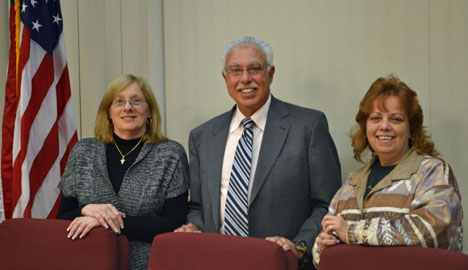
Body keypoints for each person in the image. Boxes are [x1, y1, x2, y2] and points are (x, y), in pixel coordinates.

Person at [175, 36, 341, 268]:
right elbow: (198, 207)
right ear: (225, 78)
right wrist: (194, 227)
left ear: (270, 74)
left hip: (280, 263)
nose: (245, 78)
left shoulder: (308, 126)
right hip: (217, 261)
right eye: (235, 70)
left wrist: (299, 246)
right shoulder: (203, 136)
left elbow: (328, 203)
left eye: (255, 69)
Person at [312, 75, 463, 267]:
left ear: (411, 129)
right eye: (375, 118)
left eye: (396, 119)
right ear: (365, 127)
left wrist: (351, 231)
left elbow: (430, 230)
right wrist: (322, 247)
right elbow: (322, 256)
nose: (384, 126)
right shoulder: (352, 182)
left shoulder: (431, 172)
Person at [57, 74, 189, 270]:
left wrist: (104, 221)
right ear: (108, 112)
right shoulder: (83, 151)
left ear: (150, 111)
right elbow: (62, 219)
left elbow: (174, 225)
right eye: (119, 101)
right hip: (87, 261)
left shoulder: (170, 154)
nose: (128, 107)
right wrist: (87, 210)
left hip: (149, 264)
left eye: (136, 100)